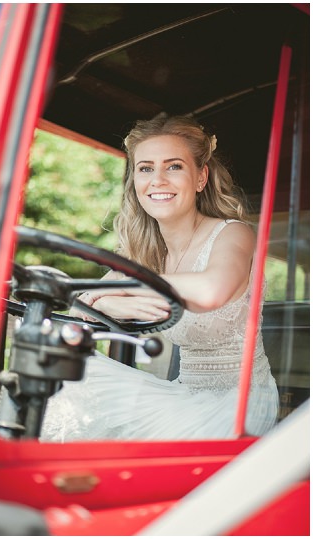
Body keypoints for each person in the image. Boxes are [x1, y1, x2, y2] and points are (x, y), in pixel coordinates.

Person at [40, 115, 279, 441]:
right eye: (146, 168)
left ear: (200, 177)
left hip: (241, 403)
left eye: (174, 166)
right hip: (185, 395)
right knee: (66, 375)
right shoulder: (147, 255)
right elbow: (82, 306)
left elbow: (211, 290)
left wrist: (123, 293)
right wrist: (116, 304)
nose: (158, 180)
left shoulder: (233, 234)